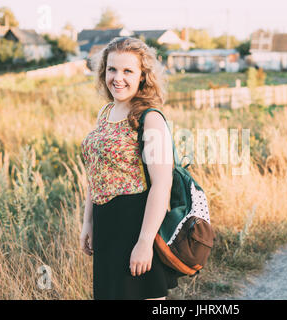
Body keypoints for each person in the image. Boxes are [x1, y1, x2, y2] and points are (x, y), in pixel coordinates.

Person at [79, 36, 179, 300]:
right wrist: (88, 221)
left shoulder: (151, 119)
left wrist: (145, 242)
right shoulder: (105, 112)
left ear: (142, 76)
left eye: (127, 71)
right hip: (105, 227)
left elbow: (162, 184)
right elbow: (95, 173)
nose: (117, 78)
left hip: (135, 227)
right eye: (112, 69)